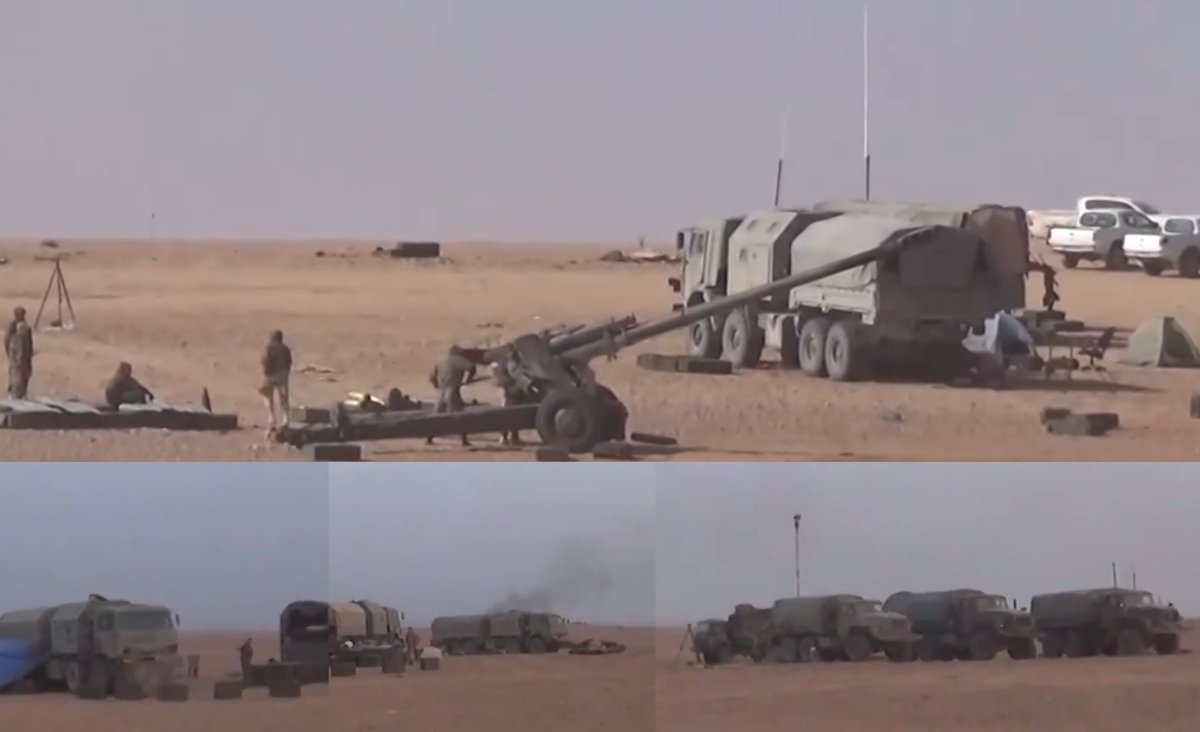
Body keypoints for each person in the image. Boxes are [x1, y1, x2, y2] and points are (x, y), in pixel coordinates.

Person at [425, 345, 482, 447]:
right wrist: (468, 379)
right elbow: (471, 368)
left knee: (436, 416)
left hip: (441, 392)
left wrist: (436, 385)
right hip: (452, 391)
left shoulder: (440, 360)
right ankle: (464, 441)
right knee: (459, 416)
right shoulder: (457, 360)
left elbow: (431, 377)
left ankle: (429, 438)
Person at [259, 330, 293, 435]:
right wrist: (286, 373)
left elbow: (265, 360)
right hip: (283, 374)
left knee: (267, 395)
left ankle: (271, 417)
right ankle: (286, 419)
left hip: (271, 374)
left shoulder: (269, 347)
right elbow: (289, 362)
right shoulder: (285, 348)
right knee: (284, 398)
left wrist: (266, 374)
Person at [493, 361, 525, 445]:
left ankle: (513, 438)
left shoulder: (510, 362)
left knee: (515, 415)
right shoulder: (506, 363)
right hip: (510, 392)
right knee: (508, 415)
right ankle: (505, 437)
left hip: (514, 392)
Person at [4, 306, 33, 399]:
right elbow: (28, 345)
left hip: (17, 358)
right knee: (19, 379)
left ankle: (16, 396)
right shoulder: (23, 328)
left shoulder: (16, 328)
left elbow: (6, 342)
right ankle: (18, 397)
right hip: (20, 359)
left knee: (17, 378)